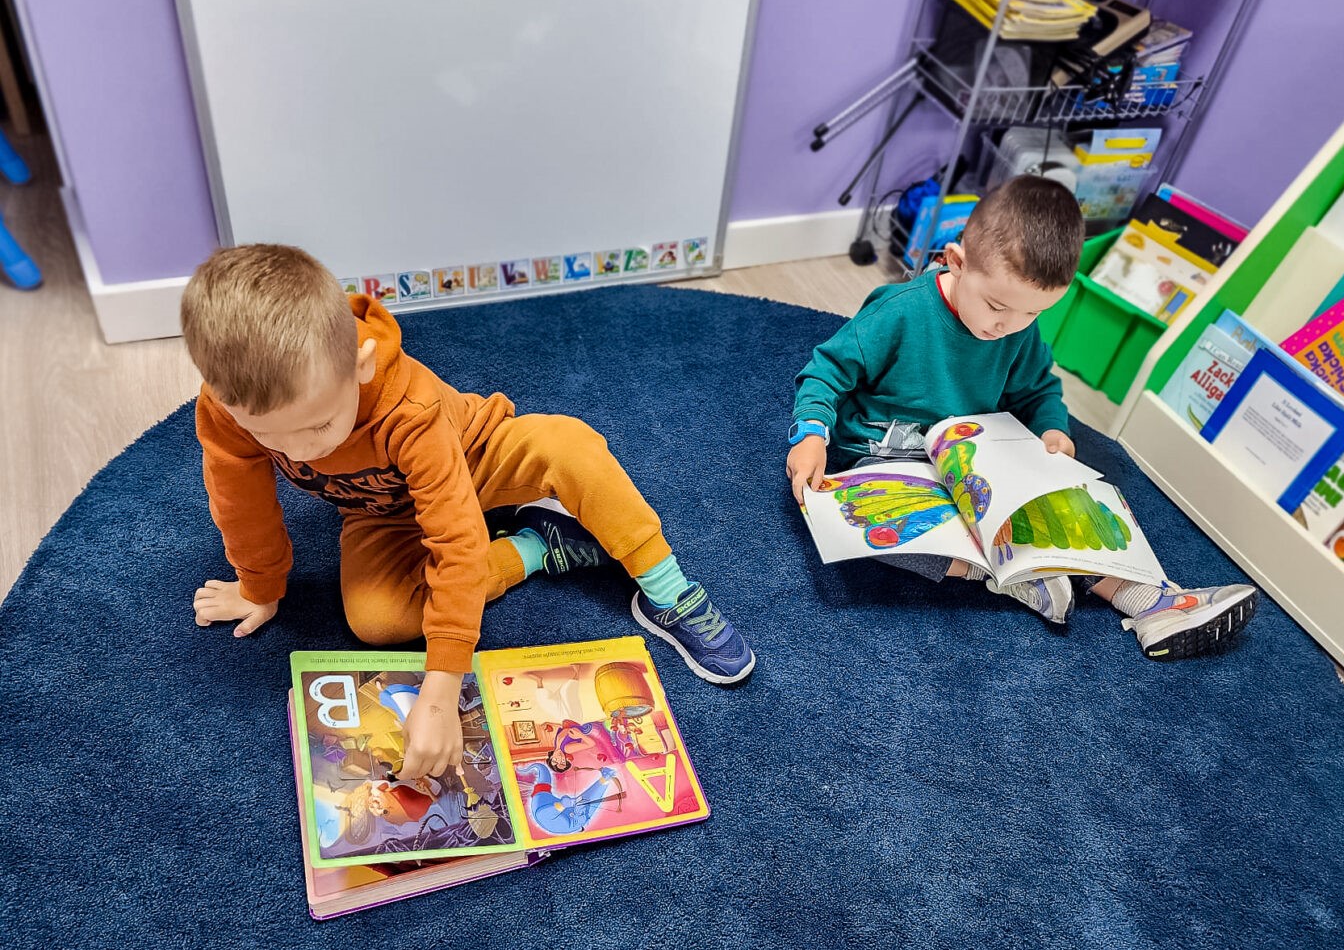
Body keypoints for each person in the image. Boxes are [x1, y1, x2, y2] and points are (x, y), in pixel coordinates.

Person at [183, 244, 756, 779]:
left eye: (318, 426)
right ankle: (535, 548)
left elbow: (454, 540)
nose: (304, 451)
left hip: (476, 459)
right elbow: (241, 502)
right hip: (379, 510)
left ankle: (670, 591)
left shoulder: (410, 409)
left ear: (360, 365)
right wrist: (260, 586)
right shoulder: (228, 407)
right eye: (274, 438)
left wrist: (440, 689)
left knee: (572, 447)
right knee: (375, 621)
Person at [785, 175, 1257, 660]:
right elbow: (827, 369)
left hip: (968, 453)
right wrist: (812, 434)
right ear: (955, 261)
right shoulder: (900, 312)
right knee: (873, 526)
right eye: (996, 306)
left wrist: (1053, 428)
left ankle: (1151, 601)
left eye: (1033, 314)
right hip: (882, 453)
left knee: (1058, 508)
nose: (1007, 326)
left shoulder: (1016, 324)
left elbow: (1037, 388)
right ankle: (1002, 573)